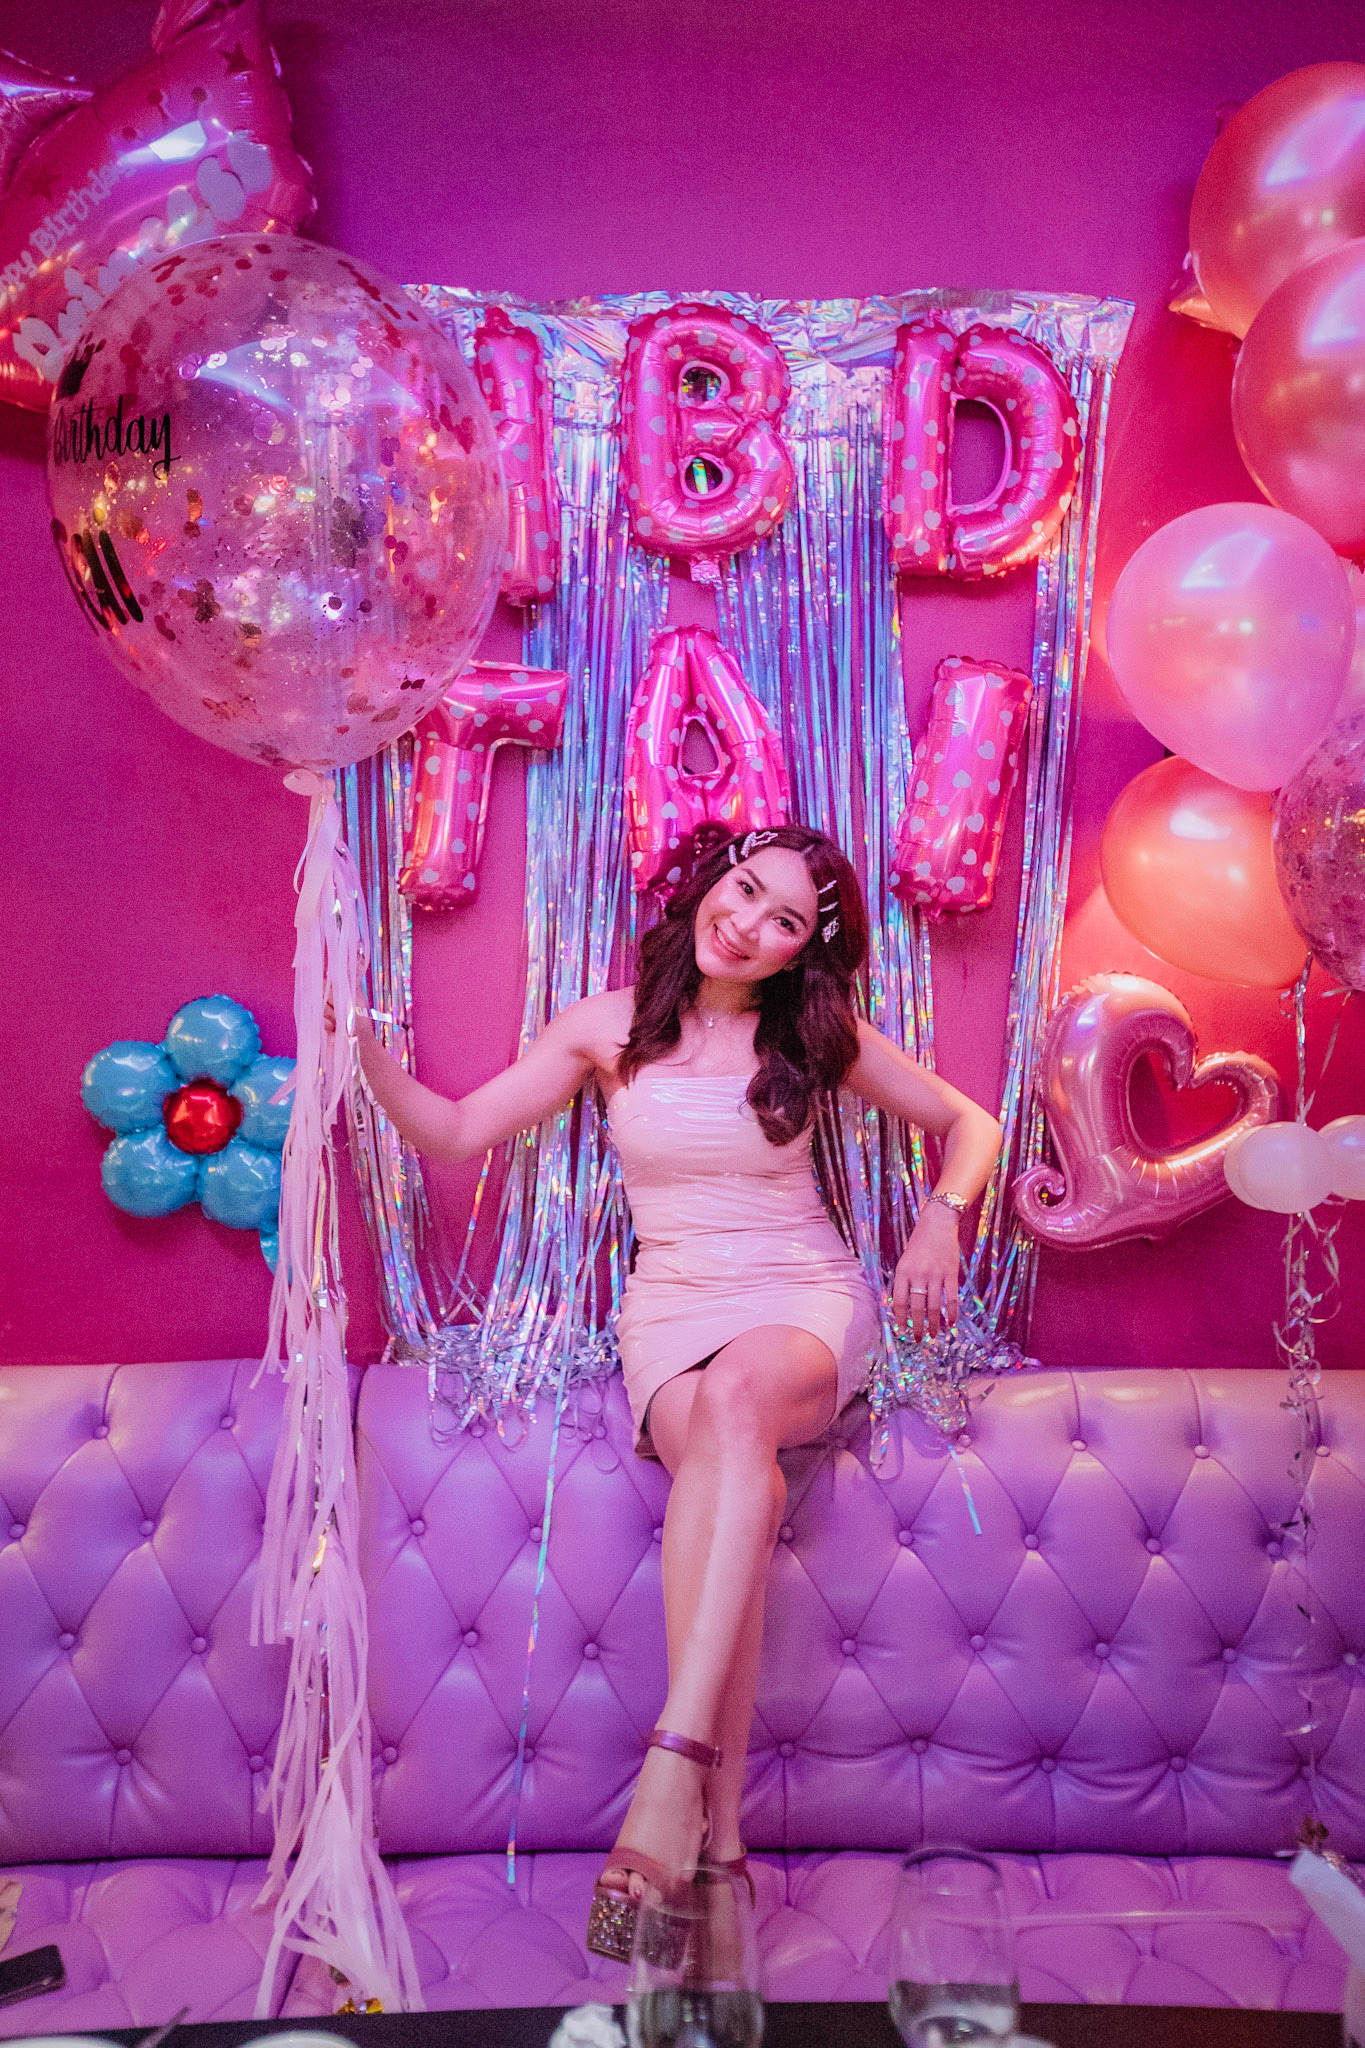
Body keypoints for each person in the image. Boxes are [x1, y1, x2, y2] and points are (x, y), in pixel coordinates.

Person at [339, 823, 1002, 1961]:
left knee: (739, 1403)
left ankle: (670, 1769)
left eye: (782, 920)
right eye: (743, 892)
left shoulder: (816, 1033)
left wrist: (942, 1217)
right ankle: (718, 1841)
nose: (746, 925)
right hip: (668, 1316)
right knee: (738, 1478)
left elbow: (969, 1122)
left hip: (801, 1299)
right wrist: (359, 1048)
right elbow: (452, 1130)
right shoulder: (606, 1026)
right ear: (710, 885)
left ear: (800, 951)